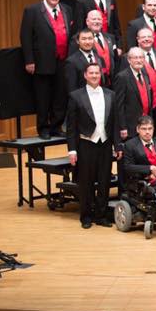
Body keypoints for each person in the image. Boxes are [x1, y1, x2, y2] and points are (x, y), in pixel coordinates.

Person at [66, 63, 117, 228]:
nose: (95, 75)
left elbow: (115, 123)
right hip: (86, 143)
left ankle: (101, 215)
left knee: (104, 181)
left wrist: (118, 146)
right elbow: (71, 126)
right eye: (91, 73)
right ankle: (86, 216)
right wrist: (72, 150)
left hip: (105, 143)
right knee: (86, 182)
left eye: (97, 73)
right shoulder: (76, 96)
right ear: (85, 76)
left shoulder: (111, 94)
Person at [21, 0, 73, 138]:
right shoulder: (33, 10)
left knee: (60, 95)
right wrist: (29, 60)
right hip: (42, 61)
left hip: (63, 60)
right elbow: (25, 37)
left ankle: (56, 126)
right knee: (43, 96)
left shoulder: (67, 9)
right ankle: (43, 128)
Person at [113, 47, 154, 142]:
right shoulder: (122, 77)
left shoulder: (145, 74)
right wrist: (123, 127)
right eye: (135, 58)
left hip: (146, 124)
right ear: (129, 60)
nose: (139, 60)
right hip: (130, 126)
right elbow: (119, 105)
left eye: (141, 57)